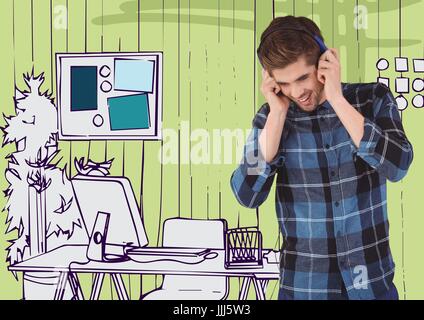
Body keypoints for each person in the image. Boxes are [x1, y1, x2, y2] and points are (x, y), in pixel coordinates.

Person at [230, 15, 413, 300]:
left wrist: (337, 99)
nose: (297, 92)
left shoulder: (372, 98)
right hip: (305, 289)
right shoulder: (271, 118)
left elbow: (398, 165)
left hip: (372, 285)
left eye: (303, 77)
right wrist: (277, 114)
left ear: (325, 61)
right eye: (285, 83)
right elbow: (246, 195)